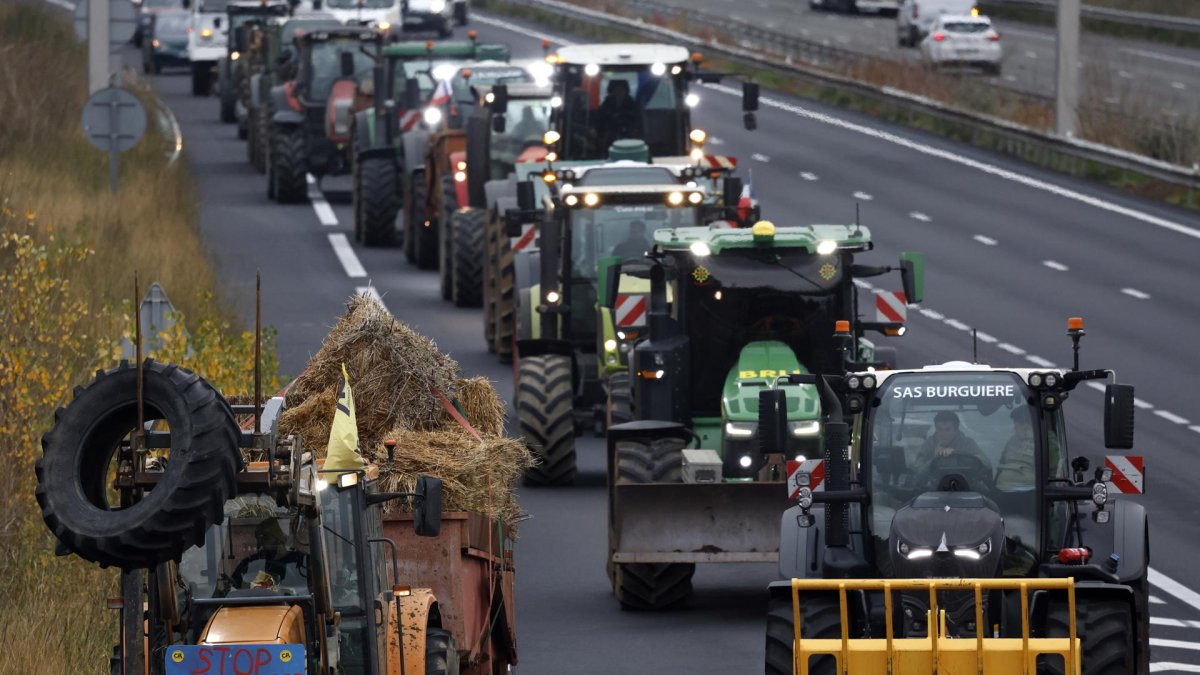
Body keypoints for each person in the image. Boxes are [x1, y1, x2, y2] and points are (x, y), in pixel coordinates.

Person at [917, 411, 991, 478]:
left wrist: (957, 454)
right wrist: (934, 459)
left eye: (947, 430)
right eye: (939, 429)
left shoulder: (967, 444)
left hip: (967, 487)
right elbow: (917, 474)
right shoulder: (928, 445)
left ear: (956, 429)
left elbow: (986, 464)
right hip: (932, 489)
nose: (942, 434)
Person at [592, 79, 641, 151]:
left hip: (630, 138)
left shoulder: (632, 105)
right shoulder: (606, 105)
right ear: (611, 91)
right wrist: (595, 129)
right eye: (616, 89)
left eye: (621, 89)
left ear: (626, 91)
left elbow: (638, 121)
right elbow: (599, 120)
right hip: (609, 139)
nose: (619, 92)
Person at [995, 408, 1035, 491]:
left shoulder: (1045, 441)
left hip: (1030, 491)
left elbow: (1054, 472)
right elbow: (1001, 464)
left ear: (1026, 426)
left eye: (1016, 425)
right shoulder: (1012, 441)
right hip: (1002, 487)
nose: (1014, 428)